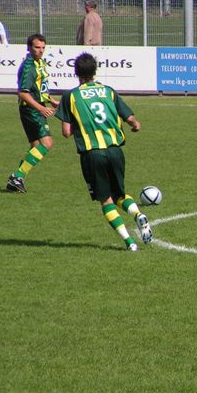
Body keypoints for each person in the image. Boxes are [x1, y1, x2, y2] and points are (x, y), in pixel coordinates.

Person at [55, 53, 152, 251]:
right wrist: (135, 125)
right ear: (95, 71)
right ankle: (137, 214)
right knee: (119, 194)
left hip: (92, 154)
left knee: (105, 200)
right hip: (116, 151)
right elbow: (131, 118)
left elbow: (66, 133)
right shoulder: (109, 91)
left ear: (76, 73)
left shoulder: (70, 96)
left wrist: (72, 117)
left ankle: (130, 243)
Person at [6, 34, 58, 193]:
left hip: (35, 107)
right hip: (31, 110)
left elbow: (37, 88)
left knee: (36, 147)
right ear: (29, 48)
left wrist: (50, 99)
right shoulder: (28, 66)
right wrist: (41, 108)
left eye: (43, 47)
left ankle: (16, 180)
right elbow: (23, 93)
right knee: (46, 144)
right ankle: (17, 176)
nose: (40, 50)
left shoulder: (40, 62)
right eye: (37, 47)